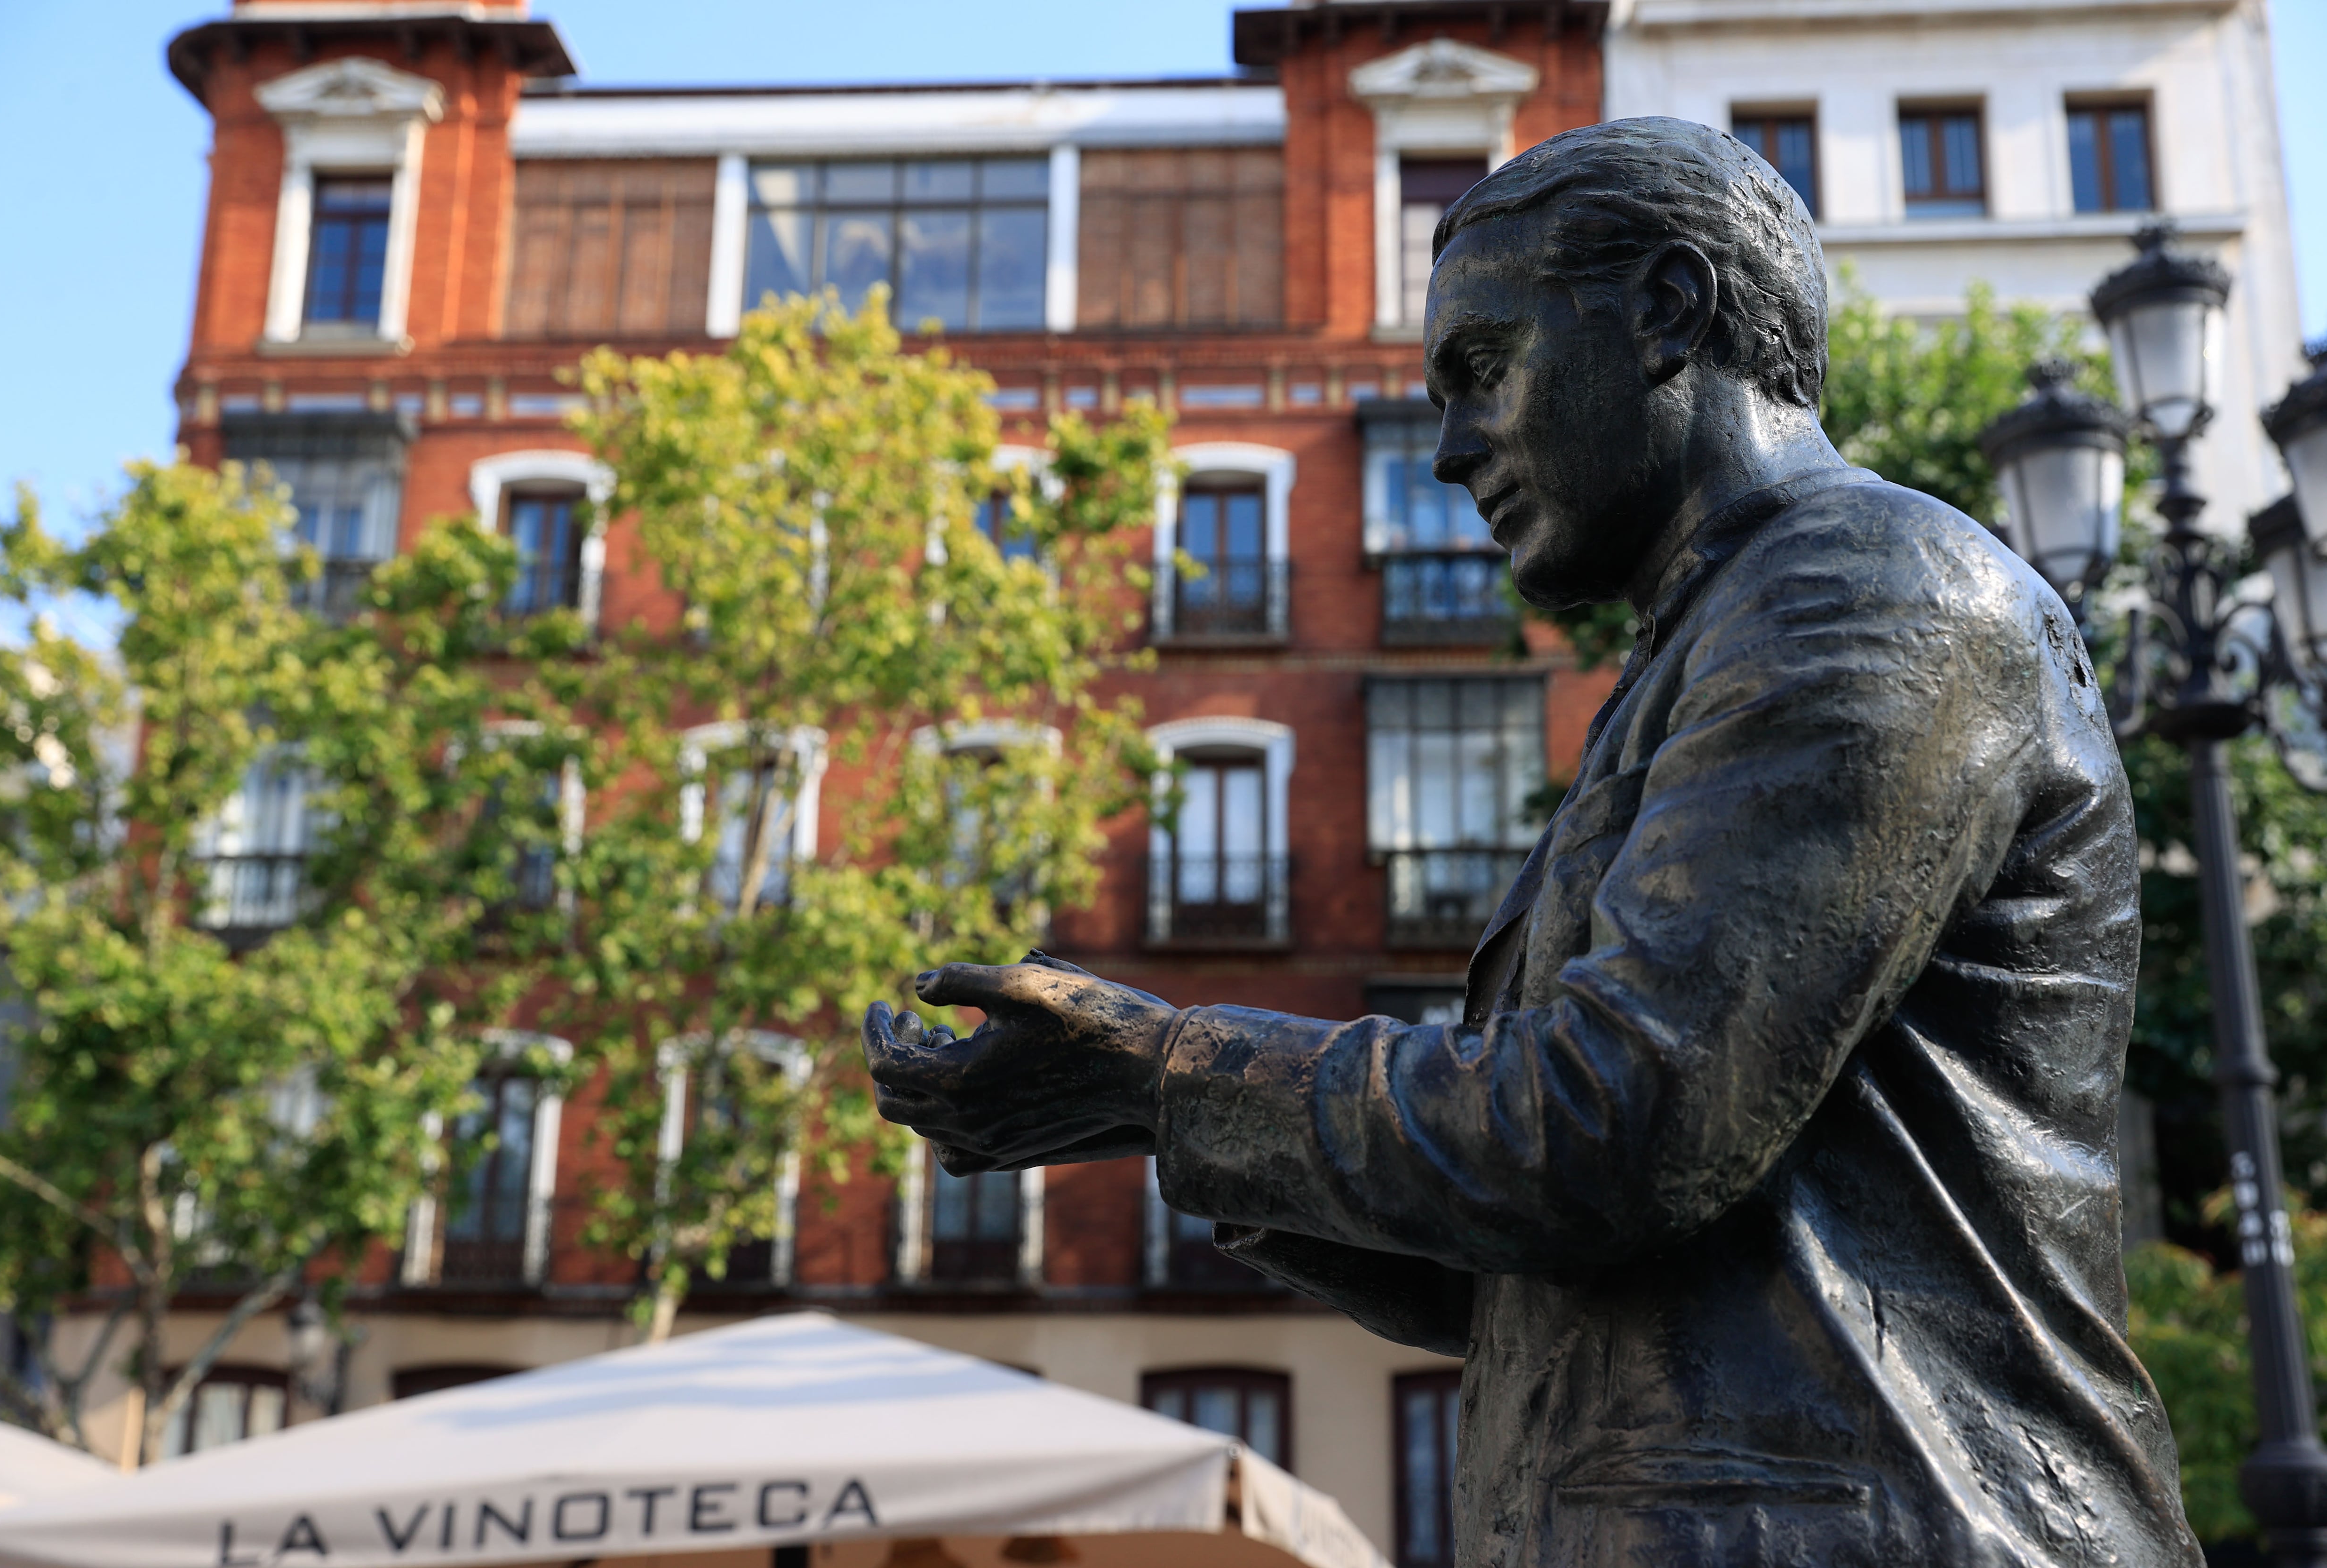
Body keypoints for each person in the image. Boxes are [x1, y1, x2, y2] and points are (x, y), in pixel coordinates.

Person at [864, 117, 2201, 1567]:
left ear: (1667, 313)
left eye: (1482, 369)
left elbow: (1621, 1126)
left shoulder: (1873, 593)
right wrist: (1149, 1108)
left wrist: (1174, 1065)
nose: (1447, 452)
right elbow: (1529, 1265)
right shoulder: (1709, 652)